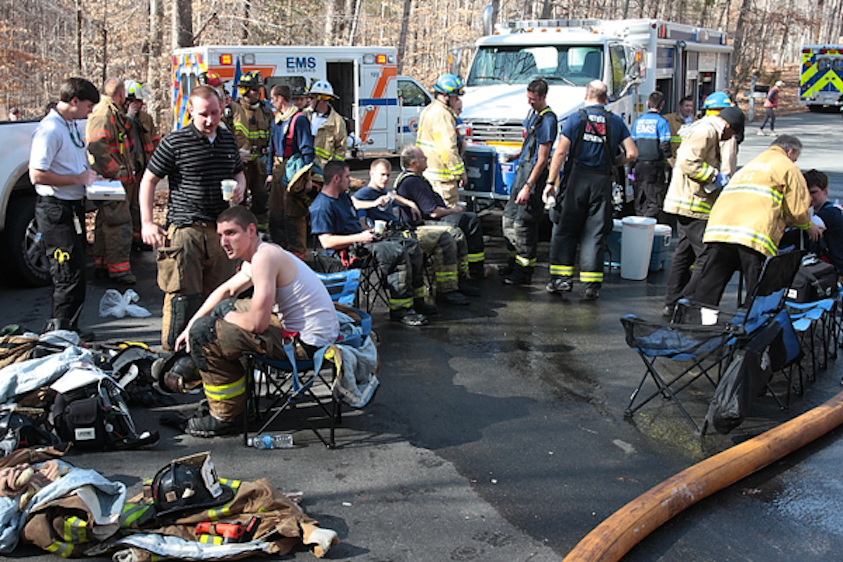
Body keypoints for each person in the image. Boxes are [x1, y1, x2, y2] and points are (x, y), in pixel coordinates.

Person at [173, 206, 340, 437]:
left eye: (231, 233)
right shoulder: (262, 253)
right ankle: (230, 390)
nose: (223, 241)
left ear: (251, 230)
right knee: (215, 314)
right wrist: (191, 322)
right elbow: (227, 290)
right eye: (220, 235)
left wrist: (217, 320)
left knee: (206, 332)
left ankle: (226, 416)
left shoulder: (264, 258)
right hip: (307, 334)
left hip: (307, 347)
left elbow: (257, 325)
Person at [139, 85, 246, 351]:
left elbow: (238, 171)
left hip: (221, 230)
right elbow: (149, 180)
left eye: (214, 113)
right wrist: (147, 222)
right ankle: (171, 360)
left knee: (219, 297)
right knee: (181, 299)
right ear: (190, 112)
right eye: (203, 115)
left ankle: (209, 355)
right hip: (186, 229)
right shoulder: (176, 142)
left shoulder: (227, 139)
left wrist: (241, 186)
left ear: (221, 109)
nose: (210, 120)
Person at [693, 135, 820, 306]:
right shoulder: (787, 167)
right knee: (757, 287)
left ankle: (701, 323)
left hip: (720, 230)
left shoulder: (750, 166)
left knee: (711, 284)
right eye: (795, 158)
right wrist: (808, 226)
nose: (794, 162)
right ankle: (749, 325)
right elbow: (797, 208)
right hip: (753, 233)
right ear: (790, 151)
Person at [542, 80, 638, 300]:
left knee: (565, 231)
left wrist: (550, 182)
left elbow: (560, 153)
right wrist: (614, 162)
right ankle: (590, 288)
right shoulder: (616, 122)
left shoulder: (576, 119)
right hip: (601, 183)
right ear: (606, 98)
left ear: (587, 95)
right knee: (594, 235)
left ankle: (561, 281)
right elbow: (632, 153)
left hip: (576, 181)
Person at [310, 160, 433, 326]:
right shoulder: (322, 206)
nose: (350, 180)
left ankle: (417, 299)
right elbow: (327, 242)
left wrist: (370, 230)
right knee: (396, 252)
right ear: (336, 179)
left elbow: (355, 222)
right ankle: (400, 309)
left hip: (364, 240)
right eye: (347, 177)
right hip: (348, 251)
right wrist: (359, 237)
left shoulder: (343, 198)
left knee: (410, 245)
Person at [29, 77, 100, 339]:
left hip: (73, 207)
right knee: (66, 273)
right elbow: (37, 175)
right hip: (55, 210)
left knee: (79, 270)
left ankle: (72, 328)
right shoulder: (49, 130)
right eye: (88, 105)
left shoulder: (71, 125)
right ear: (74, 101)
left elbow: (73, 162)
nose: (90, 111)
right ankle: (58, 333)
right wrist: (77, 179)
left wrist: (89, 176)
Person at [661, 105, 745, 317]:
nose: (729, 138)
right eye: (732, 134)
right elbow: (688, 161)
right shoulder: (707, 131)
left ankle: (672, 303)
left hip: (686, 202)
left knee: (684, 254)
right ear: (728, 126)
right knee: (707, 257)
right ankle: (687, 302)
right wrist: (714, 176)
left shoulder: (705, 128)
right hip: (694, 203)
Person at [354, 158, 471, 305]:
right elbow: (355, 205)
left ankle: (460, 282)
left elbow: (392, 196)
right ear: (371, 174)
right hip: (389, 237)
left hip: (404, 230)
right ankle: (444, 291)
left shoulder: (384, 192)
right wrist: (374, 209)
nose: (385, 179)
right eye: (382, 174)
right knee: (443, 238)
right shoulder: (364, 194)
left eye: (388, 175)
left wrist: (410, 203)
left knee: (454, 233)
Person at [396, 145, 491, 284]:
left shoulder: (411, 178)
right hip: (422, 224)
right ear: (413, 163)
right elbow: (433, 213)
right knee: (470, 220)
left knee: (466, 218)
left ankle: (468, 267)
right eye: (423, 157)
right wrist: (454, 210)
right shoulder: (413, 182)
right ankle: (475, 269)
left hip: (425, 219)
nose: (426, 159)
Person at [500, 79, 557, 286]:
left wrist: (528, 186)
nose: (530, 102)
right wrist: (515, 156)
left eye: (533, 99)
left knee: (523, 225)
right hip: (522, 169)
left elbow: (542, 159)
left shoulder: (548, 120)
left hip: (533, 176)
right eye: (528, 98)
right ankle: (512, 263)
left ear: (542, 97)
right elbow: (529, 144)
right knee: (508, 220)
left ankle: (524, 272)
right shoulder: (533, 114)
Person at [86, 77, 136, 284]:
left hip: (111, 179)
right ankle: (119, 270)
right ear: (120, 94)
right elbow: (97, 149)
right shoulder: (104, 114)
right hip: (111, 181)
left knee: (106, 221)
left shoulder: (113, 113)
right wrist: (118, 172)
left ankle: (103, 263)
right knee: (118, 223)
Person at [266, 84, 315, 259]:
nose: (271, 103)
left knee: (294, 213)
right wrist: (269, 174)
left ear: (280, 98)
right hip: (278, 170)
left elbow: (307, 150)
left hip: (294, 172)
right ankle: (280, 252)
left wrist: (307, 179)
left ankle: (298, 255)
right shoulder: (277, 120)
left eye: (272, 99)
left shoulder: (299, 119)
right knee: (276, 212)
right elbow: (271, 147)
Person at [416, 73, 466, 207]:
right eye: (455, 97)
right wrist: (460, 173)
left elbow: (438, 142)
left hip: (429, 175)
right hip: (442, 181)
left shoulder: (429, 110)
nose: (458, 101)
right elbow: (446, 149)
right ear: (445, 96)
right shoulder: (443, 115)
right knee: (448, 218)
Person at [230, 71, 272, 227]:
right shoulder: (235, 110)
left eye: (258, 89)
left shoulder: (265, 111)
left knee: (261, 200)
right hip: (241, 165)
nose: (258, 93)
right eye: (255, 89)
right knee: (238, 200)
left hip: (260, 164)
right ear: (245, 90)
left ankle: (261, 231)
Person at [124, 80, 160, 251]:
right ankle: (129, 240)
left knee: (140, 204)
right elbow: (120, 135)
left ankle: (139, 238)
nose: (141, 104)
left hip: (144, 167)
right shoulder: (121, 118)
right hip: (127, 168)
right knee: (127, 206)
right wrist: (129, 117)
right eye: (137, 101)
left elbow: (154, 141)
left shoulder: (146, 118)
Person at [631, 91, 672, 218]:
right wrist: (673, 165)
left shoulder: (638, 122)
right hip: (654, 167)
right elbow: (665, 146)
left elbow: (633, 143)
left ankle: (638, 228)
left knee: (639, 200)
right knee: (654, 201)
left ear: (648, 103)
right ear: (662, 105)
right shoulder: (662, 122)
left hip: (638, 166)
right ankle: (647, 229)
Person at [305, 80, 347, 186]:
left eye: (311, 97)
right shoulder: (305, 115)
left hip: (323, 173)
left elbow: (340, 150)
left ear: (322, 99)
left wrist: (332, 170)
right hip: (305, 170)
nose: (308, 100)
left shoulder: (337, 122)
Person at [805, 169, 843, 282]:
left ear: (825, 191)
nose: (809, 197)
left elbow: (808, 227)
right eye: (805, 193)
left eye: (813, 192)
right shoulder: (813, 211)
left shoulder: (831, 212)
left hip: (836, 272)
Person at [701, 91, 739, 176]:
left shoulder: (697, 126)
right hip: (713, 180)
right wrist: (725, 179)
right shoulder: (725, 132)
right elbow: (728, 161)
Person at [664, 96, 695, 160]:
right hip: (674, 158)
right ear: (680, 107)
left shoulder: (697, 122)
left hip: (690, 158)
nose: (689, 108)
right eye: (686, 106)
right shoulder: (669, 119)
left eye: (691, 106)